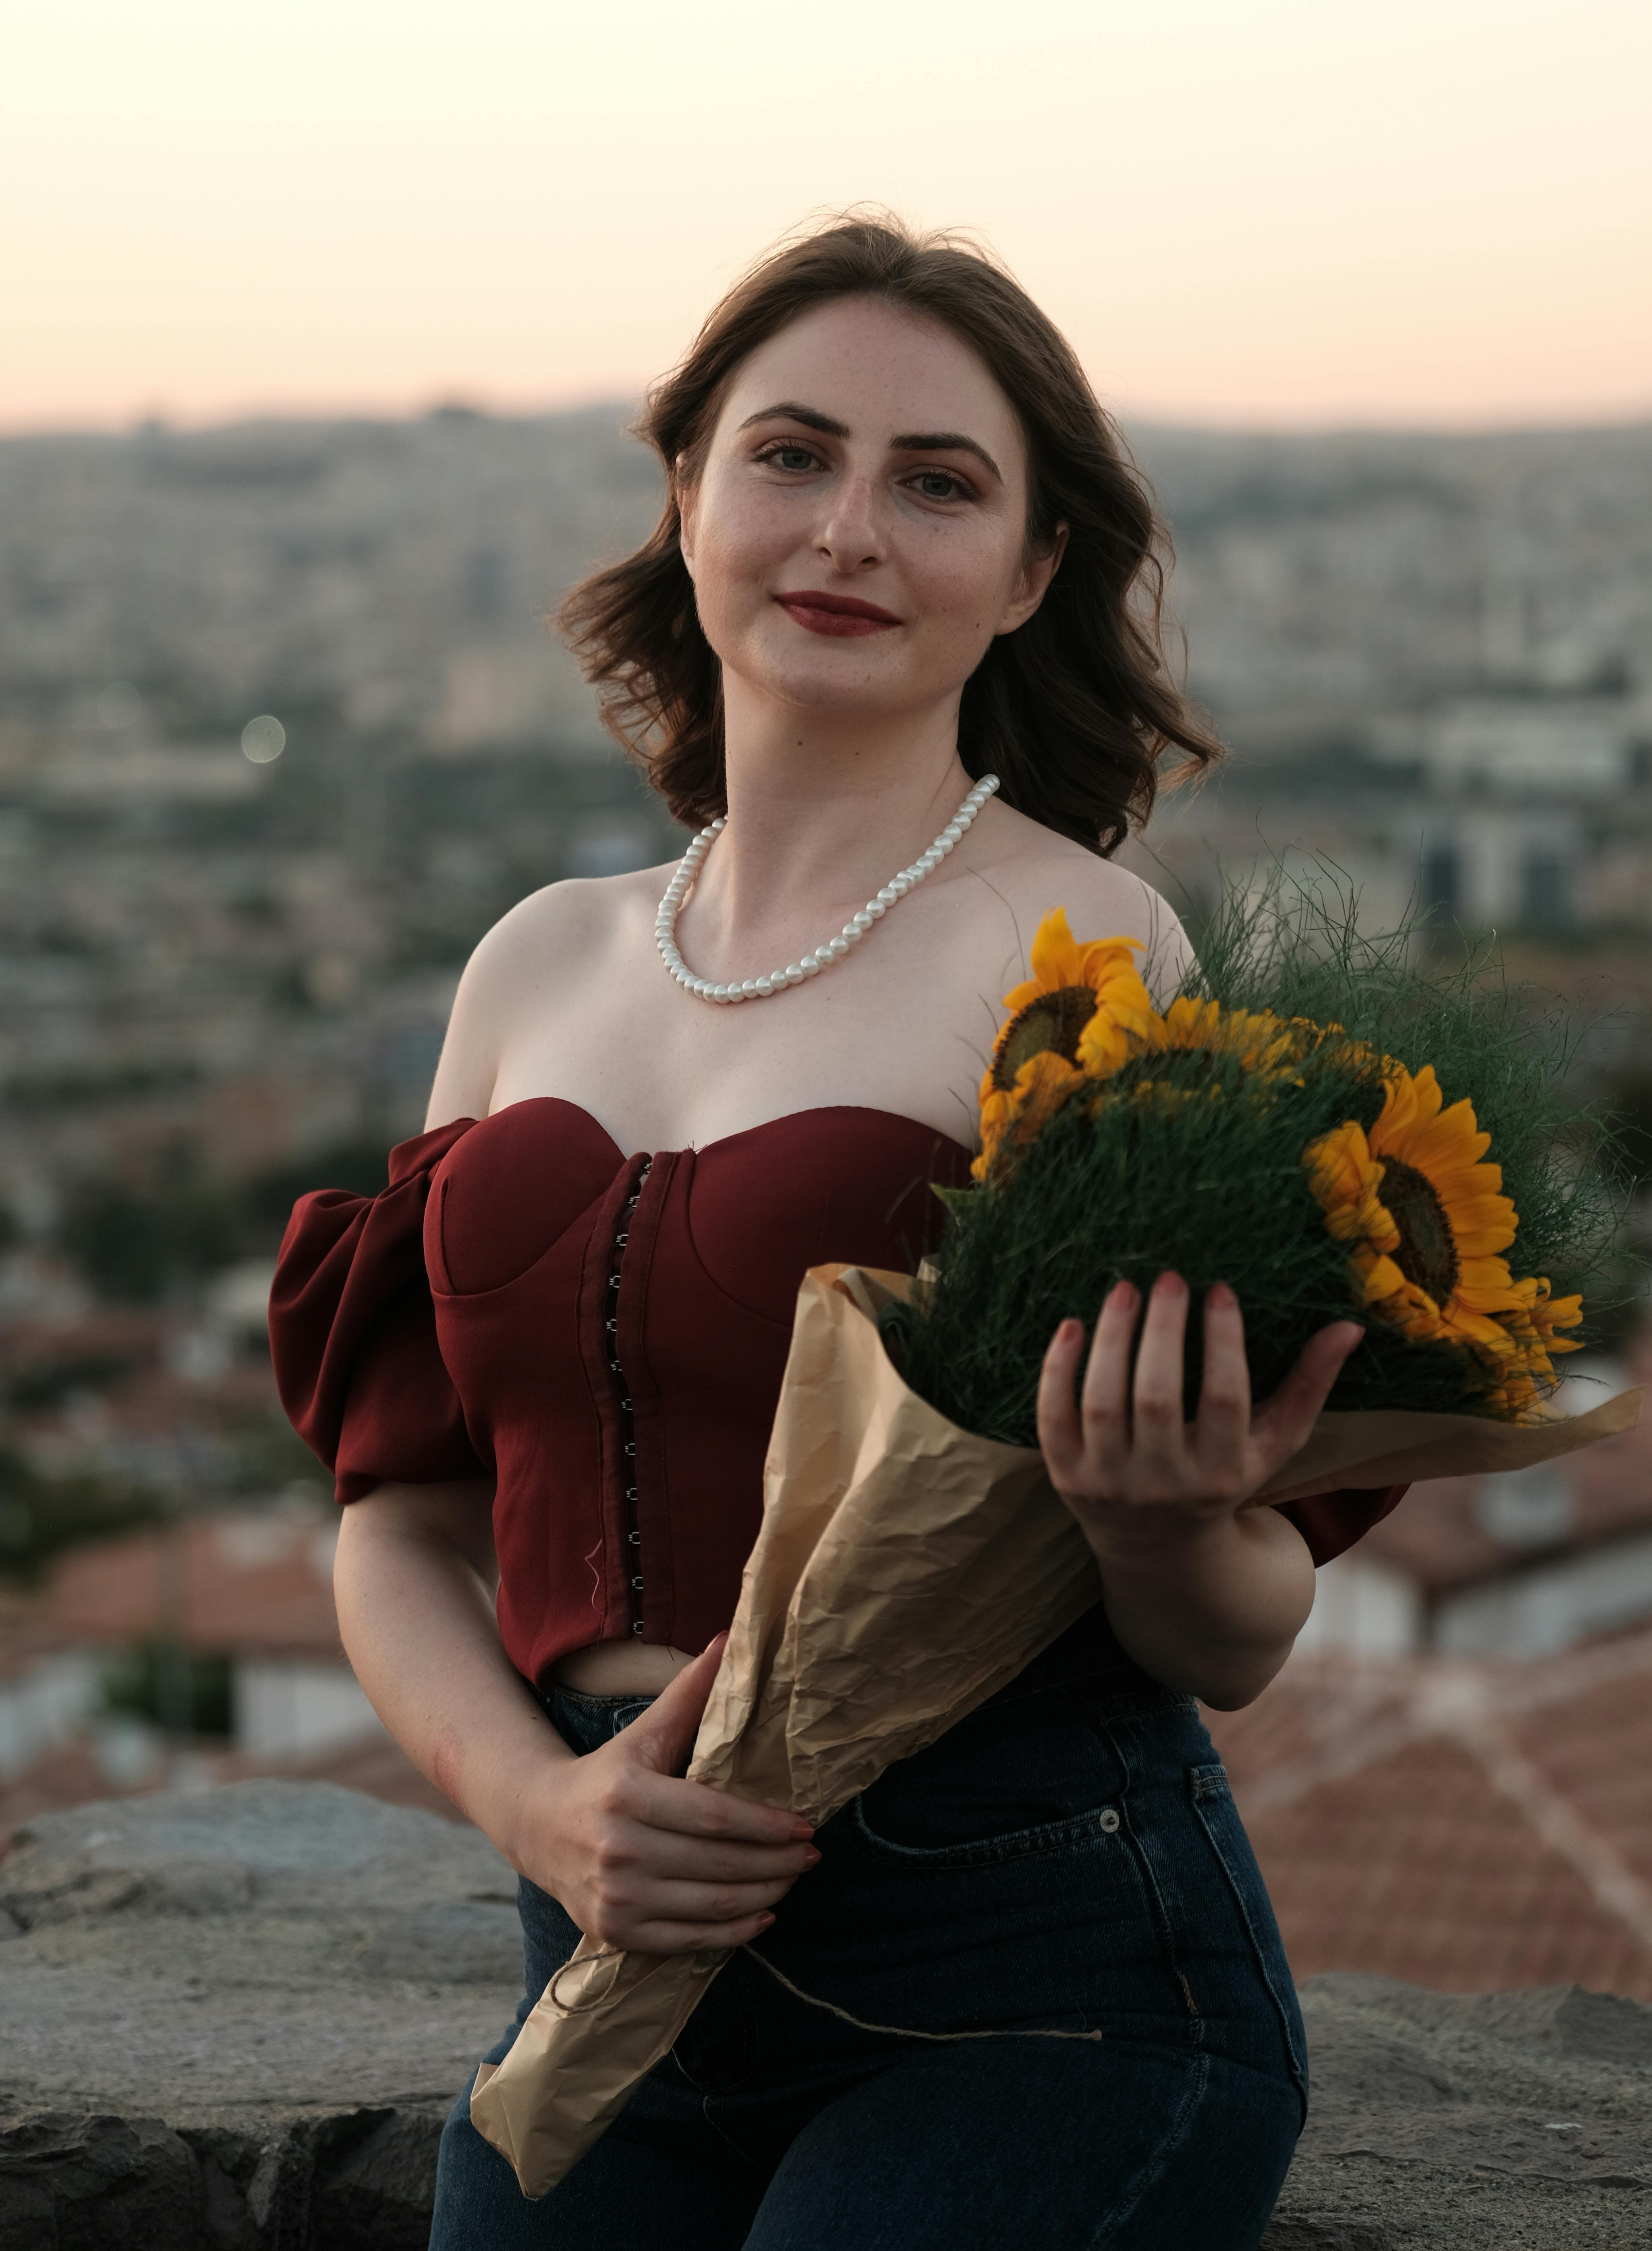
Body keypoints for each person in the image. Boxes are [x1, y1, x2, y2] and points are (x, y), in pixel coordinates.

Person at [269, 216, 1400, 2249]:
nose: (847, 529)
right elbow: (399, 1519)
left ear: (1031, 574)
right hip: (602, 1988)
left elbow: (1231, 1639)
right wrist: (540, 1806)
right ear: (686, 492)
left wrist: (1155, 1520)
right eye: (789, 454)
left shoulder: (1081, 958)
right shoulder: (530, 965)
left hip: (1027, 1988)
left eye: (936, 482)